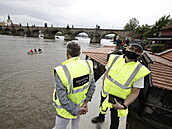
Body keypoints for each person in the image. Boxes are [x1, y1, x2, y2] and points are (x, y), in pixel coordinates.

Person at [91, 39, 151, 129]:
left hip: (118, 100)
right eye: (131, 48)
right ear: (126, 48)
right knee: (102, 107)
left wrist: (124, 105)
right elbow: (106, 74)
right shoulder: (114, 58)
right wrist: (103, 87)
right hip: (105, 92)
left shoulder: (139, 70)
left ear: (141, 53)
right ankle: (101, 117)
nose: (133, 51)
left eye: (137, 50)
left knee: (114, 120)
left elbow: (135, 92)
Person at [52, 41, 96, 129]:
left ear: (67, 53)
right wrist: (86, 102)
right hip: (80, 105)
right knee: (75, 126)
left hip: (64, 110)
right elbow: (92, 86)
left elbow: (62, 98)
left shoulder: (61, 71)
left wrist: (76, 110)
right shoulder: (88, 65)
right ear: (80, 53)